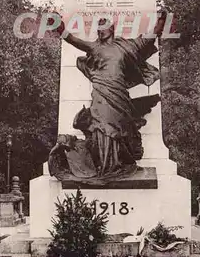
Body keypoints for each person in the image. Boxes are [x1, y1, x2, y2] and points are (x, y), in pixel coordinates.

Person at [55, 16, 165, 178]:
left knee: (118, 128)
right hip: (101, 92)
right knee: (101, 126)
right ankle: (105, 167)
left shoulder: (126, 46)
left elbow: (148, 39)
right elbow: (73, 40)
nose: (100, 30)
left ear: (112, 29)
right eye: (98, 28)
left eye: (103, 27)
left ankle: (117, 164)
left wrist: (160, 24)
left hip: (118, 93)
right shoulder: (94, 47)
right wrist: (61, 29)